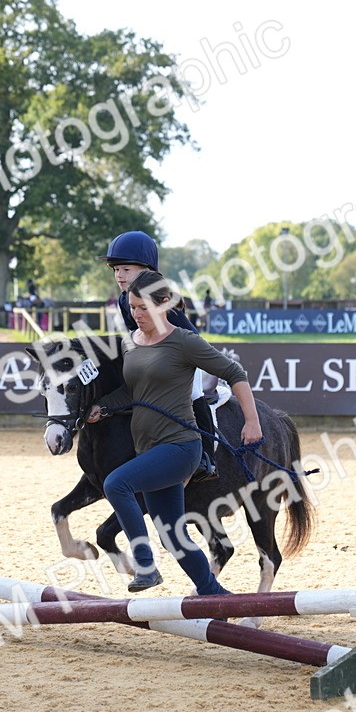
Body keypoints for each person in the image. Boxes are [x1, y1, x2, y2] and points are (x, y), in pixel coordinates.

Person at [86, 269, 262, 594]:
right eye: (133, 306)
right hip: (148, 450)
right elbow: (133, 391)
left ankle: (144, 564)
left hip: (180, 447)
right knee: (173, 535)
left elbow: (234, 371)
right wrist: (104, 406)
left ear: (165, 303)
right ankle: (214, 594)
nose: (137, 314)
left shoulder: (184, 342)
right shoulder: (132, 342)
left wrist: (252, 422)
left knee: (117, 483)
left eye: (144, 307)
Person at [99, 230, 220, 483]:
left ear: (147, 270)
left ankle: (207, 458)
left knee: (195, 394)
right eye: (116, 270)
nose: (119, 275)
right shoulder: (125, 299)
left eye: (126, 269)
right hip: (154, 354)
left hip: (185, 356)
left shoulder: (158, 296)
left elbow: (189, 335)